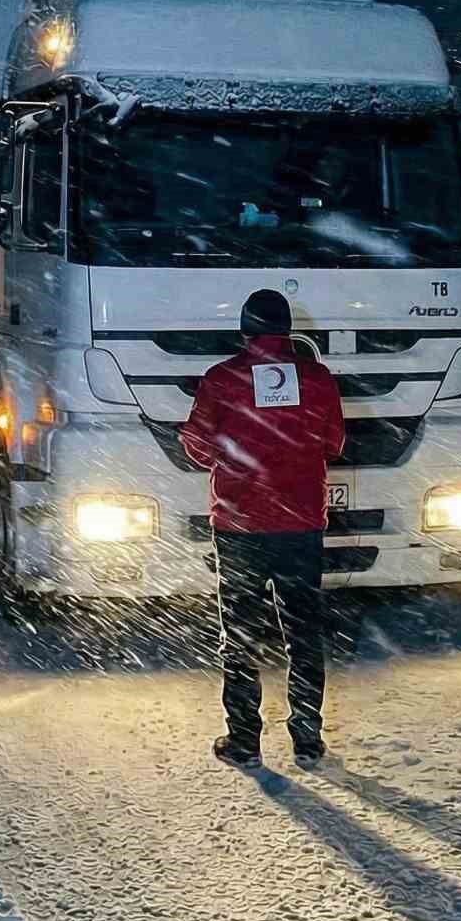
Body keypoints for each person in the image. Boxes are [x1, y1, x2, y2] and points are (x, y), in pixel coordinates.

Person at [180, 288, 345, 768]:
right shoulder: (317, 378)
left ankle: (244, 740)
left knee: (241, 631)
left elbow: (198, 447)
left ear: (245, 329)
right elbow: (333, 443)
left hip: (240, 523)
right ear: (289, 329)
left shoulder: (221, 378)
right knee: (303, 628)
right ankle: (308, 738)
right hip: (301, 522)